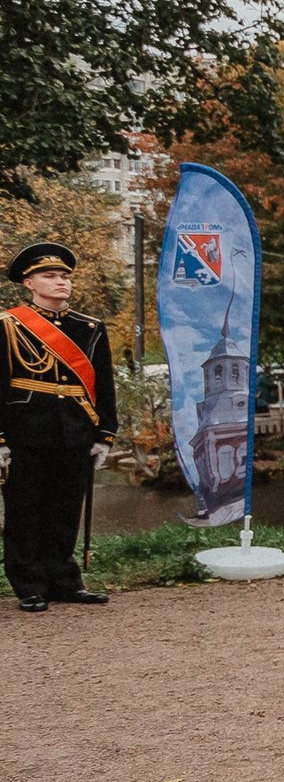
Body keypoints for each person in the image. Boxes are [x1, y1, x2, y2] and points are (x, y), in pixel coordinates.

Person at [3, 242, 117, 612]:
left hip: (75, 430)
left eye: (65, 276)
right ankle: (29, 584)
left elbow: (104, 386)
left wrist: (105, 435)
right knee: (25, 509)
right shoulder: (9, 326)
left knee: (65, 508)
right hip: (26, 430)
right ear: (29, 283)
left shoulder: (90, 327)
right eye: (50, 276)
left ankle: (65, 581)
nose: (61, 282)